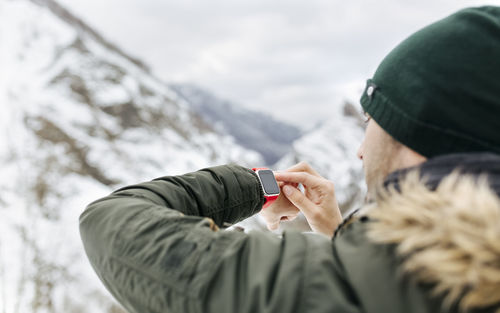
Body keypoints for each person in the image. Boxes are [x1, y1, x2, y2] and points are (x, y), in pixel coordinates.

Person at [80, 6, 500, 313]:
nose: (359, 148)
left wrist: (258, 187)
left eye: (372, 121)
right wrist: (340, 237)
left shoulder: (389, 287)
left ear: (416, 138)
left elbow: (111, 222)